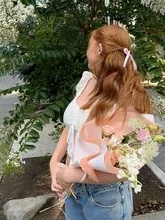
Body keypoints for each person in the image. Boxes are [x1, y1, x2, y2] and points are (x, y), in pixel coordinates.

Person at [49, 24, 155, 220]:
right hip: (73, 191)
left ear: (98, 49)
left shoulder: (128, 98)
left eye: (89, 44)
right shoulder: (88, 82)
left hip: (106, 196)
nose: (86, 50)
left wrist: (72, 175)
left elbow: (130, 165)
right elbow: (71, 127)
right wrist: (54, 163)